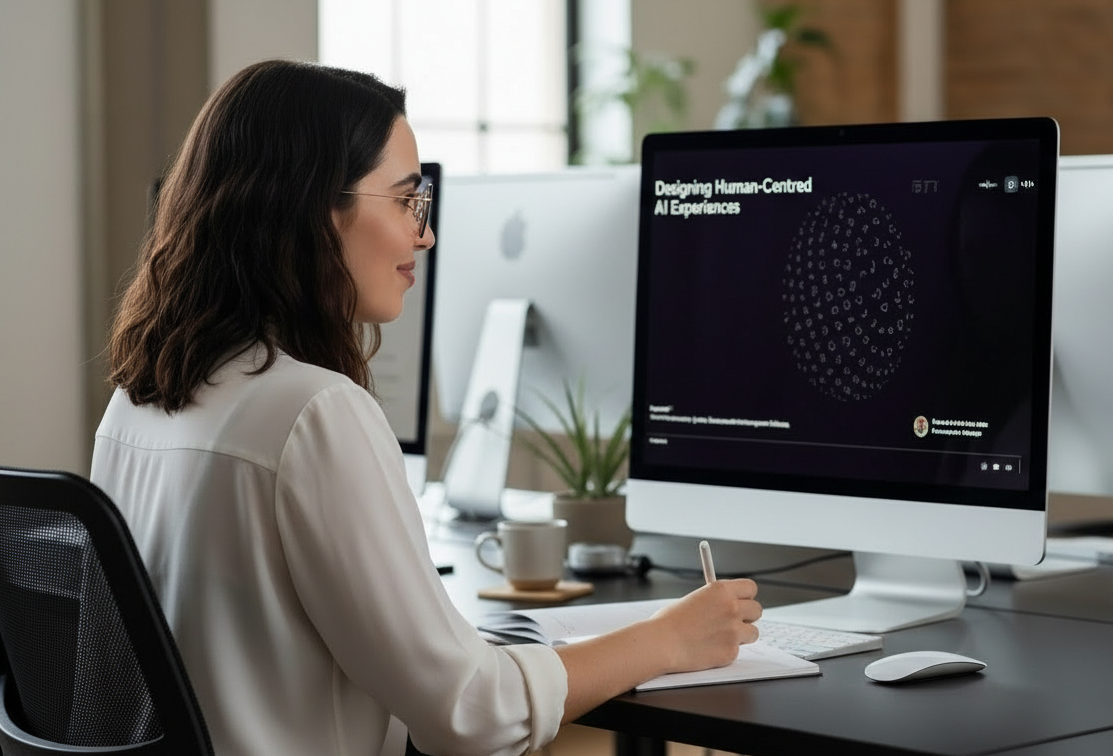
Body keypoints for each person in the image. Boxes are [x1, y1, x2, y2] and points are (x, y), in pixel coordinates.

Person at [91, 59, 760, 756]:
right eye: (406, 200)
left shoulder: (134, 406)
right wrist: (667, 639)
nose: (425, 234)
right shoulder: (314, 413)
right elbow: (470, 713)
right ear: (315, 208)